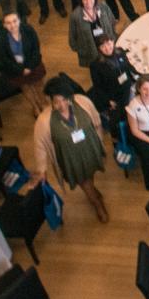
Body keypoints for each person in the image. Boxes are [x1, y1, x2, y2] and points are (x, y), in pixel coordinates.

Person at [32, 86, 109, 222]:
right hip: (70, 159)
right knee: (84, 182)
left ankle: (92, 191)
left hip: (90, 150)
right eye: (56, 102)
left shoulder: (82, 102)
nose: (61, 105)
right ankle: (98, 205)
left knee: (89, 177)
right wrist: (42, 170)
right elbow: (40, 146)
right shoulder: (44, 120)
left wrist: (101, 139)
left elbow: (96, 120)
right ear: (51, 102)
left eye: (64, 100)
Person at [0, 11, 46, 116]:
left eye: (14, 21)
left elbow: (36, 49)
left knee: (39, 85)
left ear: (19, 21)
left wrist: (29, 67)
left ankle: (43, 103)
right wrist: (20, 70)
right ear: (4, 25)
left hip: (33, 64)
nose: (12, 25)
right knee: (25, 87)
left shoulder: (28, 30)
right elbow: (4, 58)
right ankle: (35, 106)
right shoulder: (1, 38)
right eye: (8, 23)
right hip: (15, 69)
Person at [88, 34, 137, 136]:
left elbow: (128, 67)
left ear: (113, 42)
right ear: (99, 49)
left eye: (109, 43)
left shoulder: (120, 52)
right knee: (120, 120)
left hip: (127, 88)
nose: (107, 48)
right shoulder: (96, 66)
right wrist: (108, 101)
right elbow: (98, 87)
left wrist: (138, 76)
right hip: (114, 97)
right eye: (103, 46)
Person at [68, 0, 117, 80]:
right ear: (81, 1)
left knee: (112, 64)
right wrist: (81, 49)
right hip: (91, 50)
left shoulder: (103, 6)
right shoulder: (75, 16)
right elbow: (72, 37)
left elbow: (112, 21)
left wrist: (113, 37)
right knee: (98, 71)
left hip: (107, 44)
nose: (88, 2)